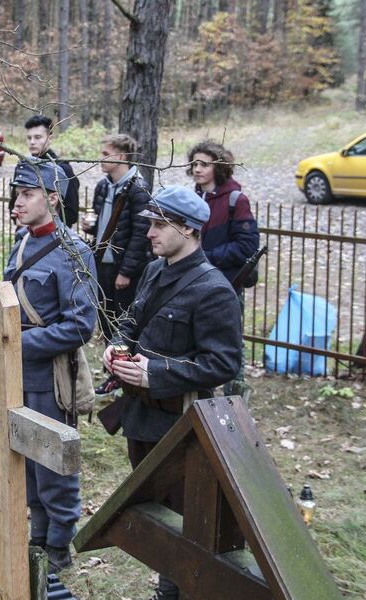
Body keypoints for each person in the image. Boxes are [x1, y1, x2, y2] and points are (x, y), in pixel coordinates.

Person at [103, 185, 241, 600]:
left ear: (190, 229)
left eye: (160, 225)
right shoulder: (153, 270)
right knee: (150, 512)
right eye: (151, 223)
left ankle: (176, 589)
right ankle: (169, 582)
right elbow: (132, 319)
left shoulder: (214, 290)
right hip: (140, 417)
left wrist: (156, 372)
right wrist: (117, 346)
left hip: (181, 424)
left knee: (184, 519)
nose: (150, 233)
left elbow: (223, 363)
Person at [0, 159, 97, 574]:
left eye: (28, 194)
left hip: (50, 378)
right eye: (17, 194)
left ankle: (59, 543)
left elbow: (80, 325)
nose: (18, 202)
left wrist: (17, 343)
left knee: (52, 464)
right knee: (24, 458)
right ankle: (38, 537)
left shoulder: (74, 253)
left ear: (54, 199)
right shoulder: (22, 243)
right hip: (15, 375)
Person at [187, 140, 259, 399]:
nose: (197, 169)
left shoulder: (236, 200)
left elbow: (247, 247)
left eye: (204, 164)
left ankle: (234, 398)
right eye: (194, 163)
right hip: (194, 283)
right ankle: (202, 397)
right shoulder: (192, 197)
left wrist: (205, 257)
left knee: (229, 344)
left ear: (219, 167)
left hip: (226, 284)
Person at [82, 134, 153, 394]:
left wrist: (127, 271)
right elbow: (100, 220)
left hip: (124, 269)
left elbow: (140, 234)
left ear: (121, 157)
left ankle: (124, 375)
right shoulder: (103, 186)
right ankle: (112, 371)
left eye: (105, 154)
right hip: (103, 263)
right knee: (106, 319)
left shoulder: (137, 189)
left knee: (122, 322)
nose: (100, 159)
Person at [8, 115, 80, 226]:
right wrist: (18, 218)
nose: (32, 142)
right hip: (24, 236)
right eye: (29, 138)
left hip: (54, 238)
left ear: (50, 138)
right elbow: (14, 204)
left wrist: (36, 221)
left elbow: (71, 214)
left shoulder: (62, 169)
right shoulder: (24, 166)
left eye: (37, 137)